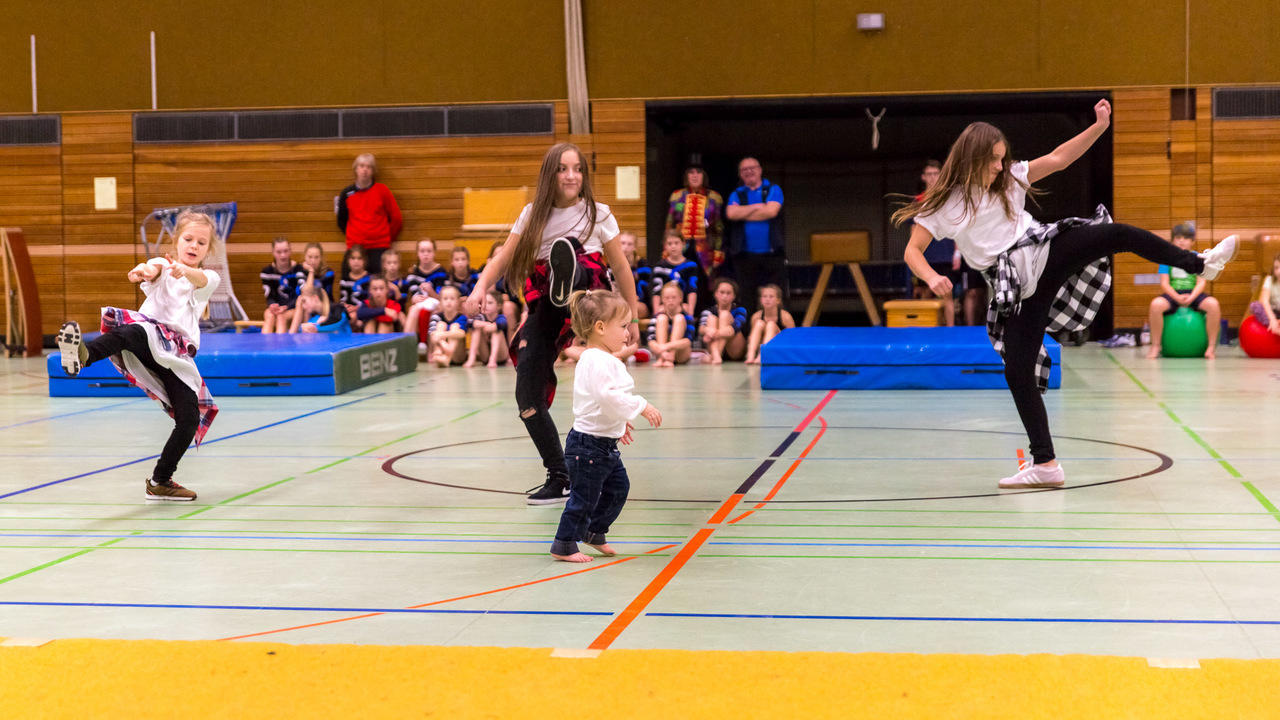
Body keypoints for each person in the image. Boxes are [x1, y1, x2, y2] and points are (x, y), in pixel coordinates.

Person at [893, 99, 1238, 490]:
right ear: (972, 158)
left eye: (1003, 159)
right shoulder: (947, 202)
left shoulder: (1010, 179)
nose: (999, 167)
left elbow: (1059, 158)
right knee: (1017, 371)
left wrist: (1099, 127)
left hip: (1043, 251)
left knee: (1118, 234)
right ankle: (1046, 464)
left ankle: (1199, 264)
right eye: (993, 160)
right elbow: (912, 251)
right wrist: (931, 276)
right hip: (1017, 288)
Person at [463, 142, 641, 505]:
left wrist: (632, 316)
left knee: (576, 257)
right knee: (527, 396)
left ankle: (570, 275)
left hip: (590, 300)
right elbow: (503, 257)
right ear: (550, 174)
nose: (571, 175)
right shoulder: (533, 215)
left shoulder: (598, 213)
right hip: (546, 302)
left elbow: (621, 267)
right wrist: (480, 287)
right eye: (562, 169)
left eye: (577, 169)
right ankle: (560, 476)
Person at [56, 210, 220, 502]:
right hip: (152, 337)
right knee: (135, 331)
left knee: (189, 418)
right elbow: (152, 267)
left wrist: (185, 271)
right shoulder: (164, 264)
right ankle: (83, 356)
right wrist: (142, 271)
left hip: (177, 357)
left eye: (201, 242)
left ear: (209, 249)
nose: (194, 246)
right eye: (188, 239)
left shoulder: (208, 278)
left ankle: (160, 481)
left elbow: (201, 278)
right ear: (176, 241)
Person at [550, 289, 661, 563]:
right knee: (583, 498)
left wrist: (620, 421)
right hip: (588, 447)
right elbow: (607, 396)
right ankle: (564, 544)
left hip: (603, 445)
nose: (627, 333)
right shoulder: (596, 360)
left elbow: (604, 402)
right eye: (622, 326)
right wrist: (641, 406)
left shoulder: (602, 359)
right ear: (600, 327)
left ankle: (594, 531)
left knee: (618, 488)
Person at [1146, 222, 1223, 358]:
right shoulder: (1166, 259)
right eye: (1178, 238)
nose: (1182, 241)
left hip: (1193, 293)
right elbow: (1164, 283)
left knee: (1213, 305)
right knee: (1155, 305)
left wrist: (1192, 297)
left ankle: (1211, 347)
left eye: (1186, 238)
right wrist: (1176, 297)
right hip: (1173, 294)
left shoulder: (1198, 258)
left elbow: (1201, 282)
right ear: (1172, 240)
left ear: (1192, 241)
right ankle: (1156, 346)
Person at [725, 156, 786, 314]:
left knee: (775, 296)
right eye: (744, 169)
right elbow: (731, 214)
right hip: (744, 256)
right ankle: (749, 329)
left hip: (772, 255)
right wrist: (757, 207)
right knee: (746, 298)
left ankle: (778, 327)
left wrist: (743, 212)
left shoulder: (773, 189)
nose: (749, 172)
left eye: (752, 168)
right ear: (740, 174)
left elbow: (771, 211)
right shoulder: (737, 193)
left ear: (760, 170)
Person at [909, 160, 957, 327]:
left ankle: (951, 330)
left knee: (947, 293)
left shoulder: (949, 199)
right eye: (929, 174)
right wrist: (914, 256)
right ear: (923, 177)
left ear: (941, 175)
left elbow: (957, 227)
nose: (932, 177)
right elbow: (913, 230)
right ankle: (925, 331)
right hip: (925, 254)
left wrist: (957, 253)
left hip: (945, 253)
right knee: (923, 294)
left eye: (935, 174)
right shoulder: (917, 201)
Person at [336, 152, 401, 273]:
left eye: (369, 167)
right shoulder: (346, 194)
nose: (365, 170)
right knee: (347, 278)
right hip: (355, 248)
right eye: (361, 166)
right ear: (356, 169)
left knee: (380, 282)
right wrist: (354, 234)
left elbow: (396, 218)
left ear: (373, 171)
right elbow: (341, 220)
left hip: (379, 247)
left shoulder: (382, 191)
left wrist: (385, 236)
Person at [666, 162, 725, 276]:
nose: (695, 176)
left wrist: (719, 251)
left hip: (706, 249)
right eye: (691, 173)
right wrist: (666, 248)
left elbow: (719, 228)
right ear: (686, 176)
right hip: (680, 247)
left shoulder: (714, 198)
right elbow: (669, 225)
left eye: (698, 172)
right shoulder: (677, 196)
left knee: (705, 281)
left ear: (704, 176)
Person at [650, 229, 699, 318]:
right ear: (665, 246)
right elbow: (656, 291)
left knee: (682, 314)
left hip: (682, 306)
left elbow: (692, 290)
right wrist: (656, 311)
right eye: (669, 244)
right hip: (666, 306)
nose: (673, 246)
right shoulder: (659, 267)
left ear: (683, 244)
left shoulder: (691, 266)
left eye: (676, 243)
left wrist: (690, 312)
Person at [699, 278, 748, 364]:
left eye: (728, 293)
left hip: (735, 350)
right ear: (715, 294)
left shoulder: (740, 310)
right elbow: (701, 328)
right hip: (714, 347)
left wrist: (713, 333)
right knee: (712, 318)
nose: (724, 296)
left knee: (724, 315)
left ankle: (715, 355)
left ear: (734, 296)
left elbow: (733, 330)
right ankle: (716, 355)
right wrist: (708, 330)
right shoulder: (708, 311)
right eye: (722, 292)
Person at [261, 237, 303, 334]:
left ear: (290, 251)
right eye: (279, 252)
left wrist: (286, 307)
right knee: (269, 315)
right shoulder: (267, 272)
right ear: (273, 252)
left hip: (294, 307)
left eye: (285, 251)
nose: (283, 255)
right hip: (277, 308)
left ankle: (281, 343)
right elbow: (269, 295)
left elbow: (300, 294)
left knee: (281, 317)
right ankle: (265, 343)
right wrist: (272, 305)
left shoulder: (298, 269)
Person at [745, 283, 795, 364]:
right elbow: (751, 337)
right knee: (759, 323)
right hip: (761, 346)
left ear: (778, 300)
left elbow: (792, 339)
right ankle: (750, 356)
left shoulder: (785, 316)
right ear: (760, 300)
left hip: (779, 349)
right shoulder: (756, 316)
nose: (767, 299)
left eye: (771, 297)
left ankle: (762, 356)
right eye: (764, 296)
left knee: (771, 325)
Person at [648, 281, 694, 367]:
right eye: (667, 298)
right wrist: (662, 351)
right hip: (662, 353)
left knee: (679, 318)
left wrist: (666, 347)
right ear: (662, 299)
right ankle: (662, 359)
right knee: (661, 318)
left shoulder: (687, 317)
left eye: (674, 297)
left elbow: (688, 341)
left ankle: (670, 357)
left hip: (680, 354)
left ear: (680, 298)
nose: (670, 300)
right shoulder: (657, 317)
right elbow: (651, 341)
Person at [464, 290, 511, 368]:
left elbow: (501, 324)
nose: (486, 305)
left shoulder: (501, 317)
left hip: (501, 355)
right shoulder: (481, 317)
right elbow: (470, 323)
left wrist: (488, 326)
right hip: (485, 356)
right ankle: (471, 359)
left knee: (496, 330)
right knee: (476, 329)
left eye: (490, 303)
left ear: (499, 306)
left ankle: (493, 359)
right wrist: (486, 325)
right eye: (484, 303)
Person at [428, 285, 471, 367]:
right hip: (442, 352)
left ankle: (447, 358)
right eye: (445, 299)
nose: (449, 301)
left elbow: (462, 334)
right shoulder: (436, 317)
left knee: (454, 326)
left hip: (457, 356)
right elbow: (432, 336)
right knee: (441, 325)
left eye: (452, 299)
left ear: (458, 302)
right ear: (440, 302)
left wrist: (443, 335)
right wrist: (443, 343)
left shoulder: (462, 317)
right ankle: (442, 355)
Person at [615, 231, 651, 321]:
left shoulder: (644, 266)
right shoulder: (612, 265)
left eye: (629, 244)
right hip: (618, 302)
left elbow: (647, 291)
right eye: (623, 243)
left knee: (626, 308)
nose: (625, 247)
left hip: (640, 304)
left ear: (635, 247)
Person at [1249, 253, 1280, 336]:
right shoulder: (1269, 280)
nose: (1279, 271)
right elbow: (1264, 301)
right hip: (1272, 312)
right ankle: (1274, 327)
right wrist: (1272, 319)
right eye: (1276, 268)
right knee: (1255, 305)